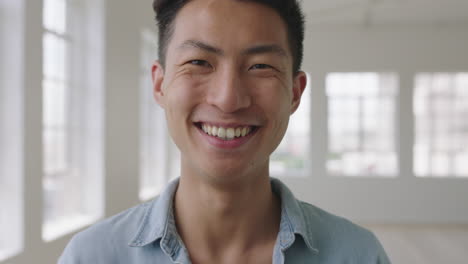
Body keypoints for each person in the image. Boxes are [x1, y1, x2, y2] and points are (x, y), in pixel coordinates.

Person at [59, 0, 391, 263]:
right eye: (199, 62)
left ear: (294, 92)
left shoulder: (357, 255)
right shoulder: (92, 256)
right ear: (160, 85)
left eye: (260, 66)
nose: (228, 99)